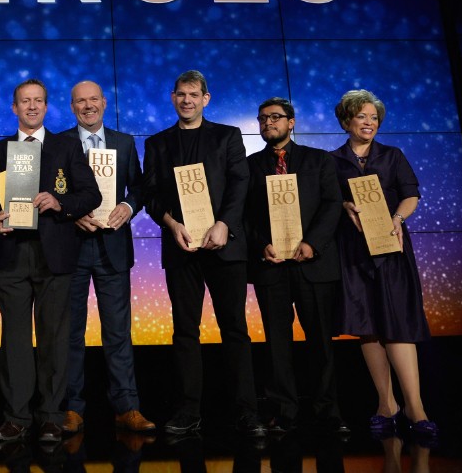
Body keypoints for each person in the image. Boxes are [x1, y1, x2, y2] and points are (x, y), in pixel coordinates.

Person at [141, 70, 264, 437]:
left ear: (206, 99)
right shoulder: (158, 143)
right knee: (185, 331)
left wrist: (225, 223)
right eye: (181, 94)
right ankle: (188, 411)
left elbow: (240, 182)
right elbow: (150, 194)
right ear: (172, 97)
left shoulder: (227, 136)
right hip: (181, 247)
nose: (187, 100)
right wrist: (170, 223)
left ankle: (247, 411)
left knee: (235, 330)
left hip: (225, 246)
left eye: (194, 94)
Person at [0, 79, 101, 444]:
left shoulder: (67, 147)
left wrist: (60, 204)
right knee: (14, 339)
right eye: (24, 102)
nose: (31, 107)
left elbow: (91, 194)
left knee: (54, 338)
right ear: (14, 108)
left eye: (38, 102)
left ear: (47, 107)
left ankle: (51, 415)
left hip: (55, 255)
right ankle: (16, 417)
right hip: (13, 256)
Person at [329, 89, 437, 438]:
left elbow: (410, 194)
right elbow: (329, 201)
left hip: (391, 248)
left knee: (398, 322)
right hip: (353, 252)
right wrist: (345, 207)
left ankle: (416, 407)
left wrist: (397, 219)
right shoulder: (331, 161)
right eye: (362, 116)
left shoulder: (392, 156)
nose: (369, 122)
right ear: (347, 120)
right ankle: (385, 405)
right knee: (368, 324)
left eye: (374, 118)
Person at [244, 97, 349, 435]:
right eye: (262, 119)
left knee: (320, 340)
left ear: (291, 122)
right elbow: (243, 215)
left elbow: (333, 204)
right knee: (277, 342)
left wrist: (312, 244)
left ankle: (327, 411)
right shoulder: (248, 166)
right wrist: (262, 244)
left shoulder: (319, 160)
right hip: (271, 264)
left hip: (313, 263)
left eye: (275, 117)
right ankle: (283, 411)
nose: (267, 123)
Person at [58, 81, 155, 434]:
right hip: (73, 248)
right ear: (72, 107)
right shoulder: (60, 144)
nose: (88, 106)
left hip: (113, 247)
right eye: (80, 101)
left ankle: (127, 406)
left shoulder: (125, 143)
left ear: (104, 102)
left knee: (118, 332)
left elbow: (140, 186)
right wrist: (71, 212)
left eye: (93, 100)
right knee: (71, 333)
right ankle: (72, 408)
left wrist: (129, 206)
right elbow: (53, 192)